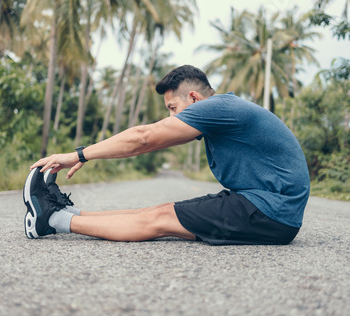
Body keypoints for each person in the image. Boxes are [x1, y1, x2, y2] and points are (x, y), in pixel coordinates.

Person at [24, 65, 310, 245]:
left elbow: (144, 139)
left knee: (159, 220)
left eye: (172, 107)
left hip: (271, 212)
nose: (171, 116)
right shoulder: (223, 112)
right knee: (158, 210)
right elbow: (148, 141)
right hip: (262, 205)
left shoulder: (217, 108)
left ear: (194, 99)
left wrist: (79, 155)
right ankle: (69, 214)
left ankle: (51, 220)